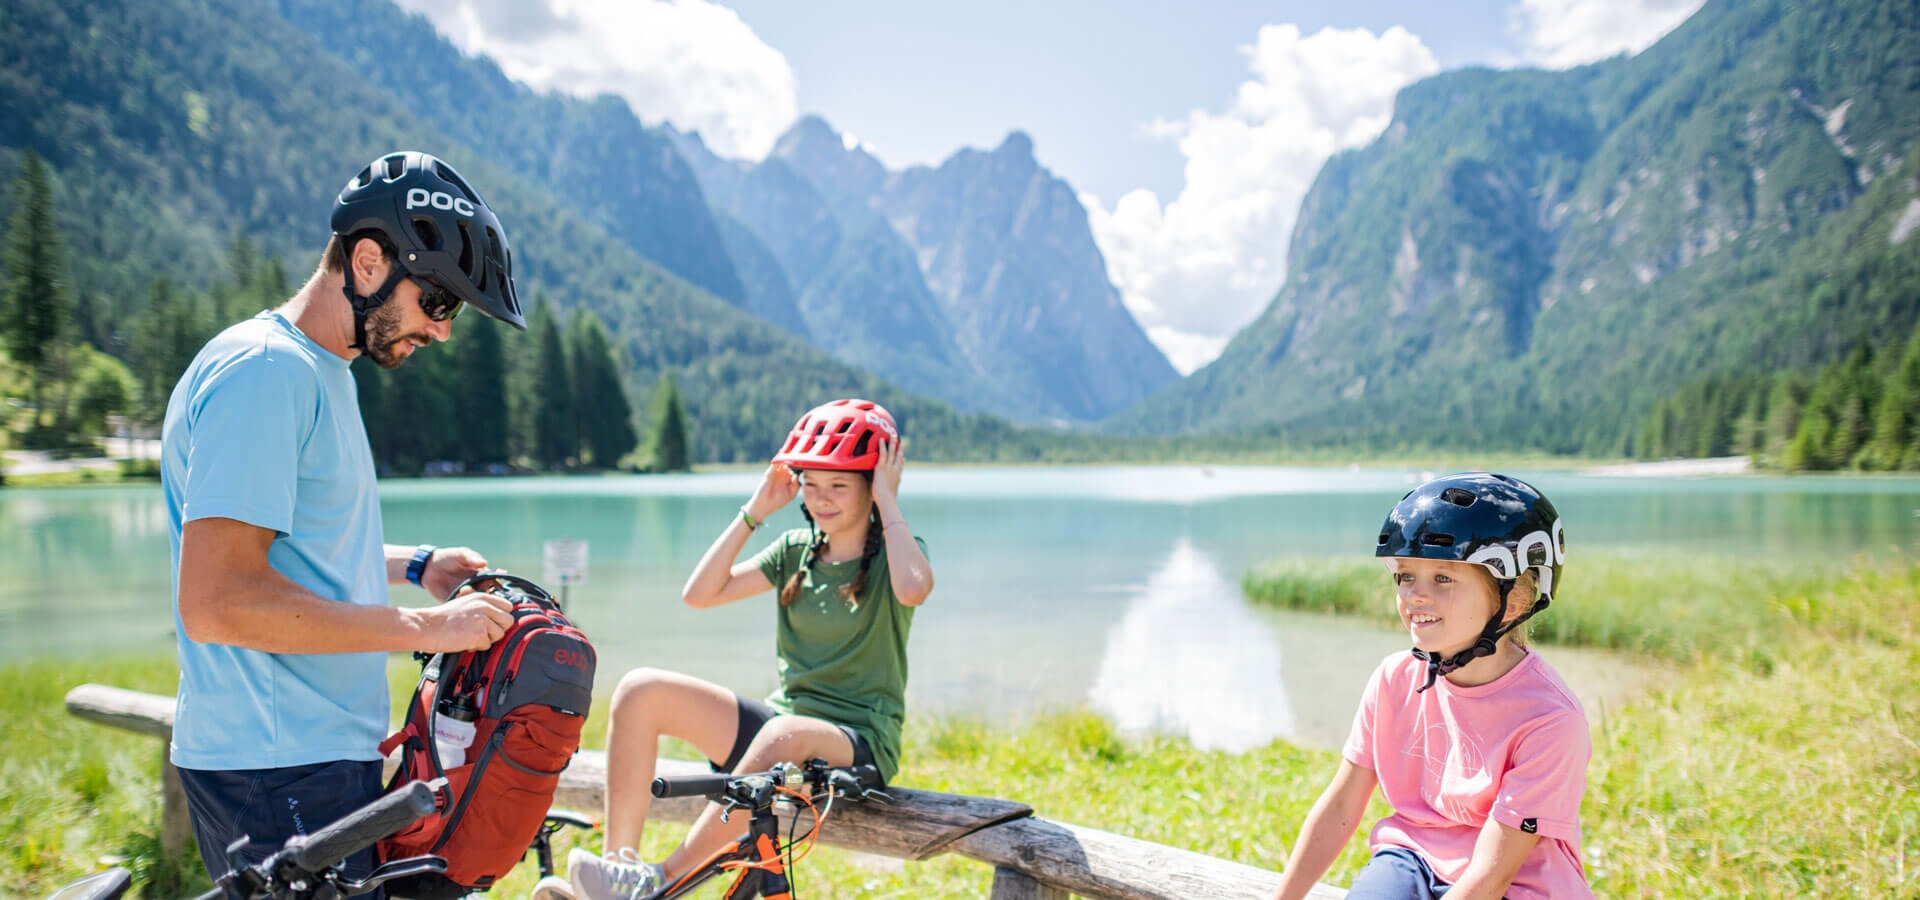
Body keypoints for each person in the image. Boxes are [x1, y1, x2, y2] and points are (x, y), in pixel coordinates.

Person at [161, 151, 529, 895]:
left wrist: (420, 566)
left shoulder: (318, 368)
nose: (445, 332)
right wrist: (429, 630)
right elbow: (218, 601)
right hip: (274, 767)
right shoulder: (267, 374)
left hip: (309, 755)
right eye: (440, 303)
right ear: (368, 262)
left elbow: (299, 549)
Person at [551, 399, 934, 900]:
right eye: (812, 485)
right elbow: (700, 593)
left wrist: (890, 503)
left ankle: (661, 882)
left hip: (855, 744)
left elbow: (914, 588)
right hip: (780, 736)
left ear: (873, 484)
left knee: (784, 731)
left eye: (839, 485)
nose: (823, 499)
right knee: (639, 690)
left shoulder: (894, 555)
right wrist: (756, 510)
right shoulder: (797, 550)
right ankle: (619, 867)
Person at [1269, 472, 1593, 900]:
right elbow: (1341, 808)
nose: (1414, 597)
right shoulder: (1393, 680)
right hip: (1413, 857)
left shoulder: (1550, 720)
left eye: (1443, 578)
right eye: (1405, 576)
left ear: (1513, 598)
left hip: (1515, 882)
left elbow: (1490, 877)